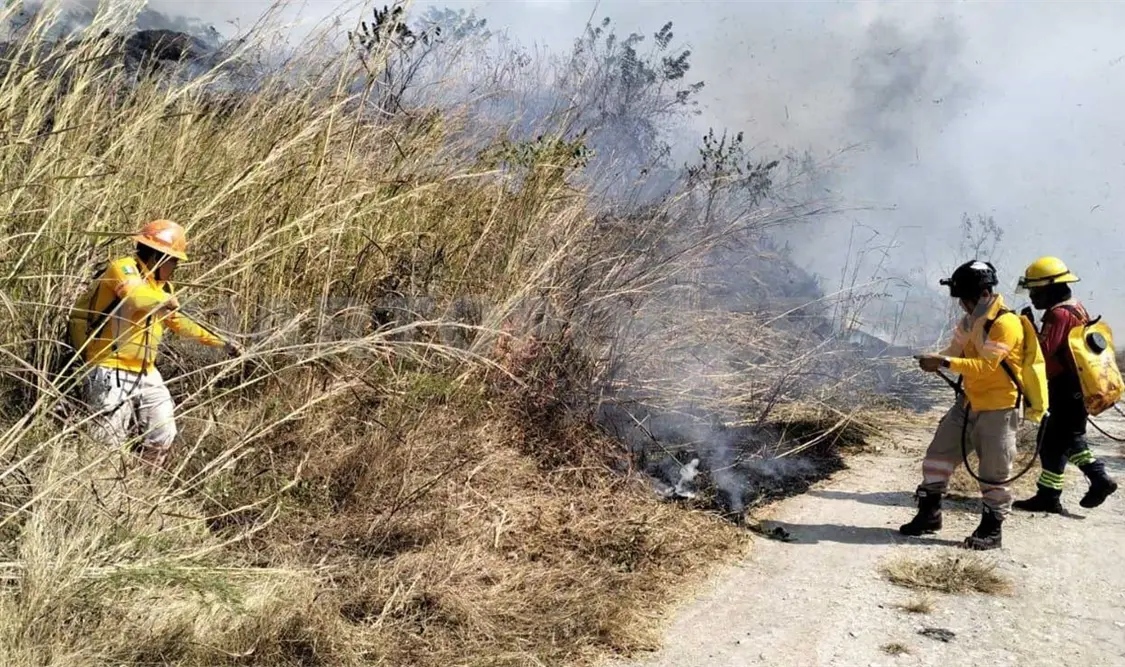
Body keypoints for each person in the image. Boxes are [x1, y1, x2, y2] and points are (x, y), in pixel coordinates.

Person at [67, 219, 239, 468]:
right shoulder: (123, 269)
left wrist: (221, 343)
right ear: (158, 257)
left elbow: (179, 323)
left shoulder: (163, 287)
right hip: (108, 369)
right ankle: (102, 488)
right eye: (174, 261)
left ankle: (144, 484)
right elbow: (135, 297)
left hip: (147, 373)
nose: (176, 267)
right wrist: (162, 302)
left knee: (163, 434)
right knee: (106, 444)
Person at [902, 260, 1040, 550]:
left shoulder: (1006, 323)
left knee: (994, 472)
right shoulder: (968, 322)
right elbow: (953, 352)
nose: (963, 305)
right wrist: (934, 358)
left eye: (966, 298)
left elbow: (987, 366)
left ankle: (992, 530)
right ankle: (929, 514)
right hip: (968, 404)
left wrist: (945, 362)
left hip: (999, 409)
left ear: (984, 293)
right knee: (937, 456)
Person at [1011, 257, 1118, 513]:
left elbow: (1043, 353)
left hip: (1064, 388)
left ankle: (1099, 477)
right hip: (1075, 385)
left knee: (1068, 440)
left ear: (1051, 288)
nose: (1033, 297)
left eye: (1036, 291)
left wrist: (1028, 328)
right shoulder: (1075, 308)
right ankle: (1048, 495)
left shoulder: (1058, 314)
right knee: (1052, 442)